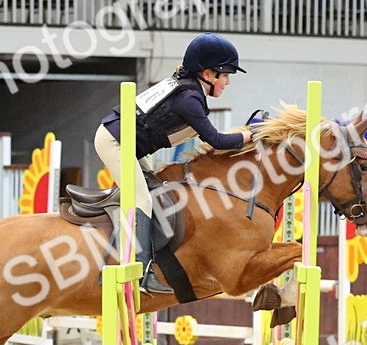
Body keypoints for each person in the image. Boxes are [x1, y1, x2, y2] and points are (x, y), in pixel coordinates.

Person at [94, 33, 250, 294]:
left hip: (126, 142)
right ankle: (139, 274)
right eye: (226, 74)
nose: (228, 81)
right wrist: (249, 135)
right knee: (141, 202)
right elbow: (216, 140)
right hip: (115, 142)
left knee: (153, 193)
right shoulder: (188, 98)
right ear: (209, 74)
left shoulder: (188, 88)